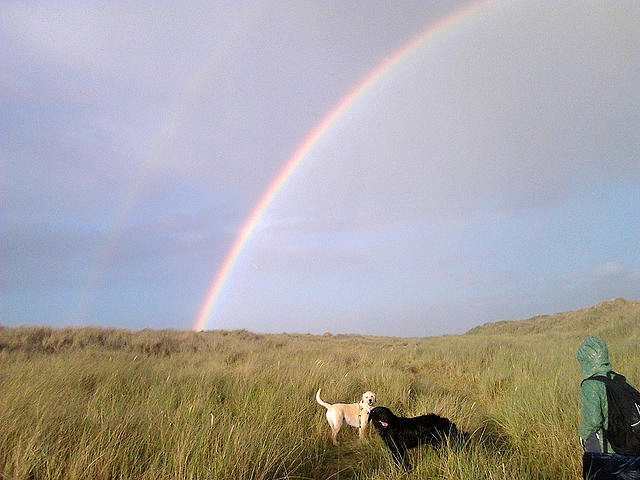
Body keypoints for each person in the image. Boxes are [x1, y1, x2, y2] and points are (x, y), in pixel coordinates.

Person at [577, 336, 640, 480]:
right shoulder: (621, 380)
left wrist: (582, 436)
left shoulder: (590, 384)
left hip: (605, 453)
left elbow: (593, 421)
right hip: (632, 450)